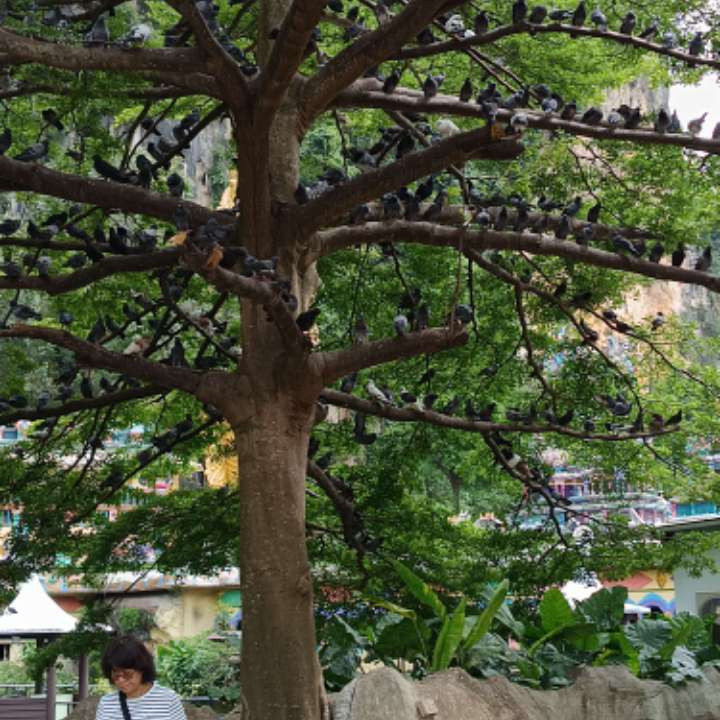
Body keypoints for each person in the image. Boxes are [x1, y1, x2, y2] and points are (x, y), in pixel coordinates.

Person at [96, 635, 187, 720]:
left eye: (127, 674)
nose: (121, 680)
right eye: (116, 675)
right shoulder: (106, 703)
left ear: (142, 669)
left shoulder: (168, 700)